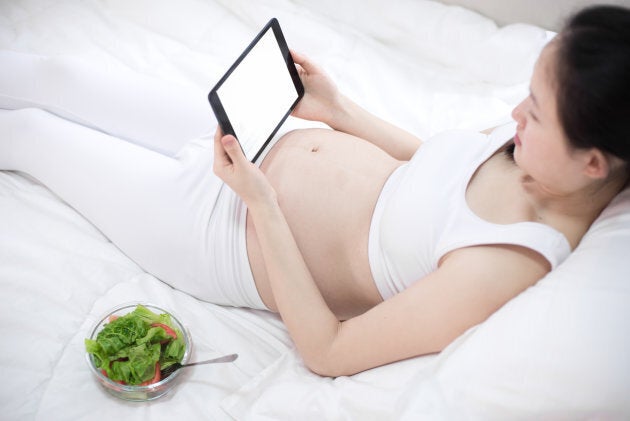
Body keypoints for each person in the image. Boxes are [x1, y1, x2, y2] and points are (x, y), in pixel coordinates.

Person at [1, 5, 628, 377]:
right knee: (57, 75)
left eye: (537, 112)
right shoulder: (536, 152)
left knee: (30, 134)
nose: (515, 112)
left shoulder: (506, 263)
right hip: (254, 145)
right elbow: (436, 170)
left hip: (225, 234)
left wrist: (262, 205)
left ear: (594, 163)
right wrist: (339, 110)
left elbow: (331, 351)